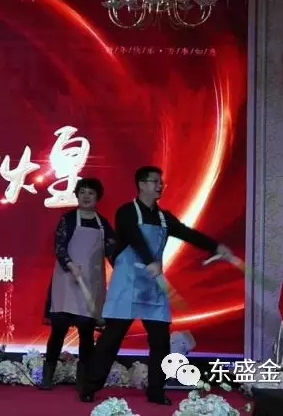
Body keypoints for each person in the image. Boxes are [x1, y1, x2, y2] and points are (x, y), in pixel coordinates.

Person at [79, 166, 241, 405]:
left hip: (154, 285)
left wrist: (216, 247)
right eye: (155, 181)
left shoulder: (165, 218)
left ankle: (156, 391)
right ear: (141, 184)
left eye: (160, 182)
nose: (160, 186)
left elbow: (187, 233)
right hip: (127, 284)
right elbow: (134, 237)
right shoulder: (126, 212)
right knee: (111, 339)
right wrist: (149, 260)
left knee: (161, 341)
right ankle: (90, 386)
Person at [40, 178, 115, 391]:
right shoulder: (68, 219)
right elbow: (59, 246)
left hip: (90, 284)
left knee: (86, 334)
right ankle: (48, 376)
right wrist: (70, 264)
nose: (86, 196)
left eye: (91, 193)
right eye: (82, 192)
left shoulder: (103, 224)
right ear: (77, 195)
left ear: (97, 197)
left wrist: (125, 270)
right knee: (58, 331)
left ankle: (84, 380)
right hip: (66, 282)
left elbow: (112, 251)